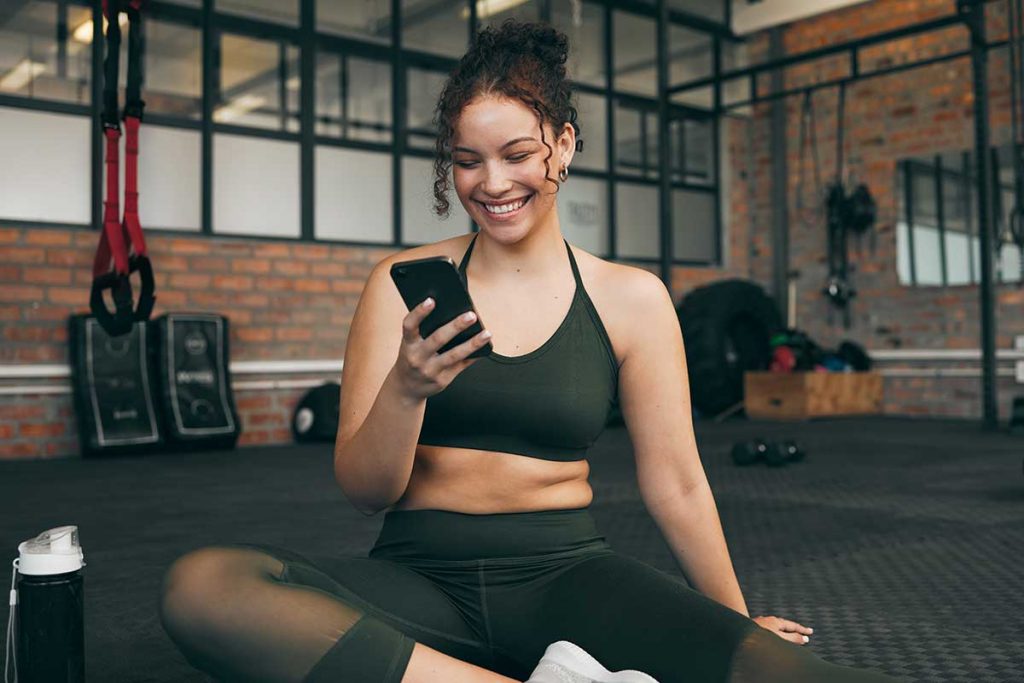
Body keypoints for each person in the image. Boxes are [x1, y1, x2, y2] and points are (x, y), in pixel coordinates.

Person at [158, 19, 902, 683]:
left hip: (567, 576)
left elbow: (676, 484)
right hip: (419, 580)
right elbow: (365, 490)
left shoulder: (631, 298)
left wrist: (733, 622)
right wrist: (407, 388)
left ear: (565, 145)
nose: (493, 182)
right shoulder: (396, 284)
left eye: (517, 153)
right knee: (204, 587)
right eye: (468, 160)